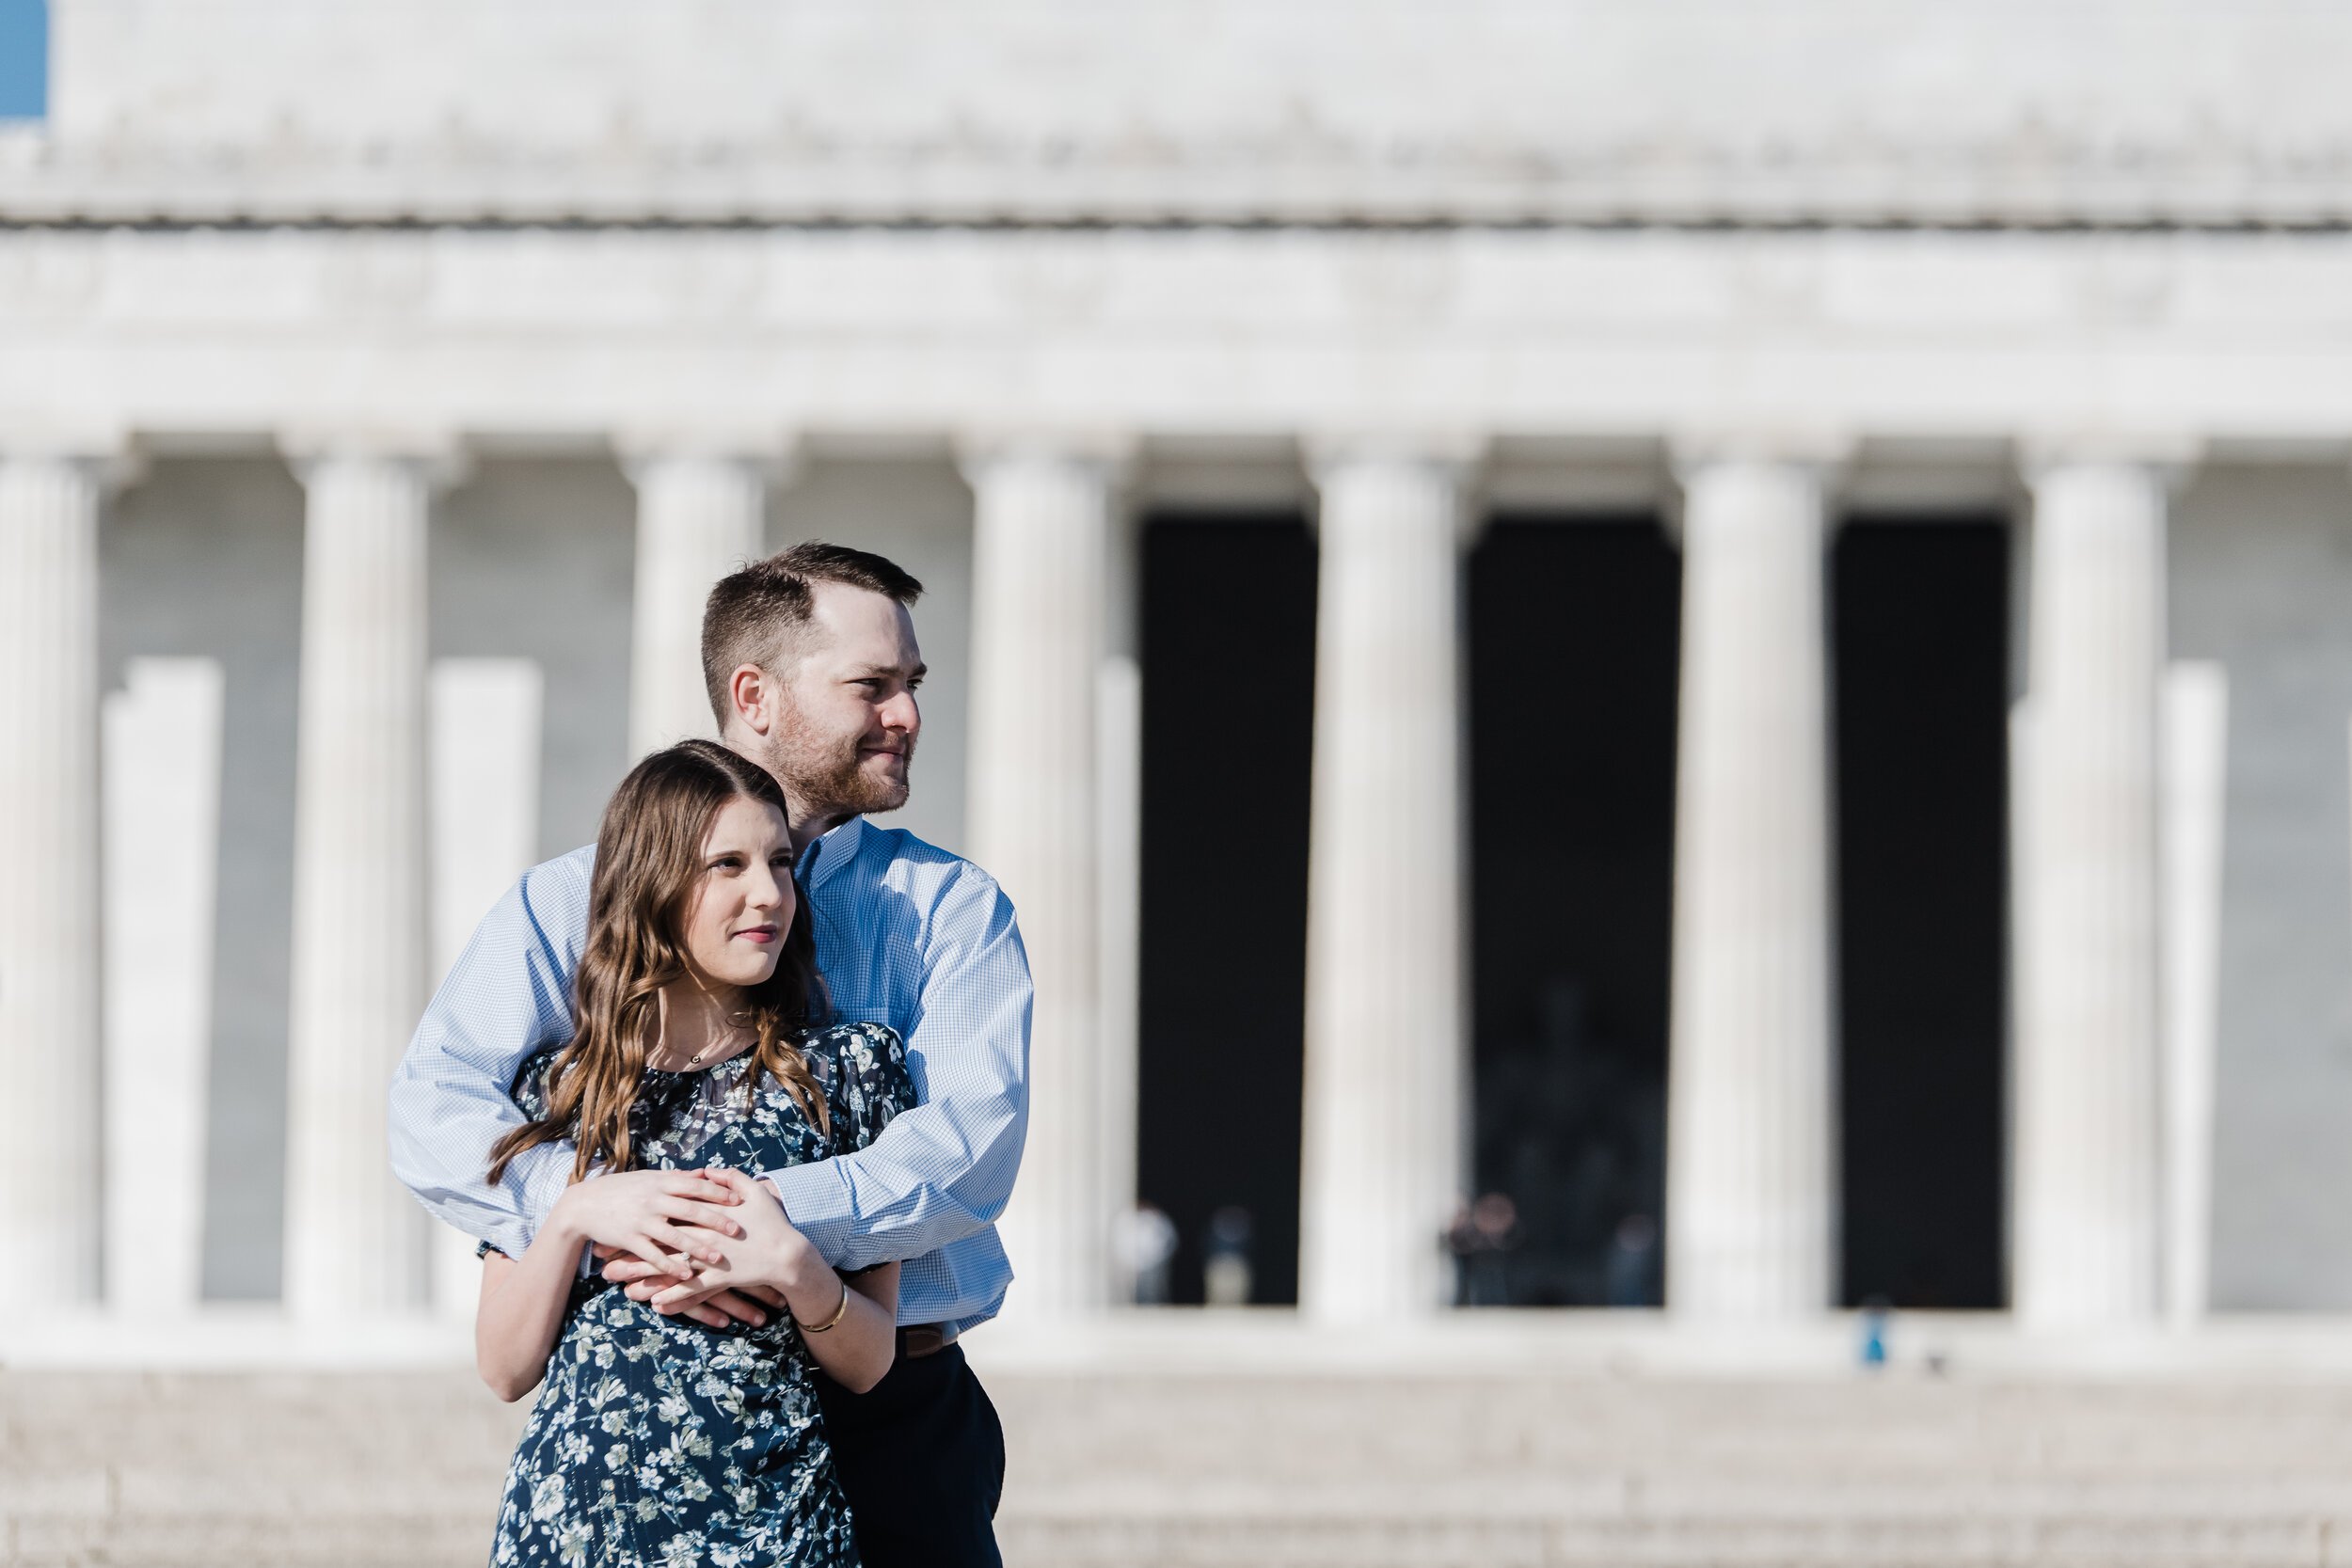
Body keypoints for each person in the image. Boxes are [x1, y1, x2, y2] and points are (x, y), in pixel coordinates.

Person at [391, 542, 1031, 1568]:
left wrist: (748, 1228)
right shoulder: (570, 899)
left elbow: (969, 1149)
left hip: (887, 1407)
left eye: (912, 686)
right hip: (638, 1435)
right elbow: (437, 1105)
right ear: (756, 694)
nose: (907, 714)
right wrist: (601, 1203)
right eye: (873, 685)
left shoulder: (950, 911)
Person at [477, 739, 913, 1565]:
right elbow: (503, 1366)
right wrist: (573, 1216)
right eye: (729, 864)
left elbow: (869, 1363)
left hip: (773, 1535)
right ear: (655, 882)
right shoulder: (562, 1089)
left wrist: (796, 1266)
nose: (768, 893)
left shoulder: (852, 1070)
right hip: (574, 1532)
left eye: (781, 862)